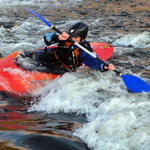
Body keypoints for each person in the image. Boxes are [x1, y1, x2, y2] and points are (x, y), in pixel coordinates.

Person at [15, 22, 115, 74]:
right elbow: (47, 38)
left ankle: (32, 71)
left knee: (35, 68)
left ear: (81, 37)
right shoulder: (66, 36)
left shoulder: (84, 50)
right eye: (72, 35)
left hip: (61, 67)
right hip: (52, 55)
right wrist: (58, 37)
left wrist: (104, 67)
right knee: (25, 55)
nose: (71, 38)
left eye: (75, 36)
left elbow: (94, 62)